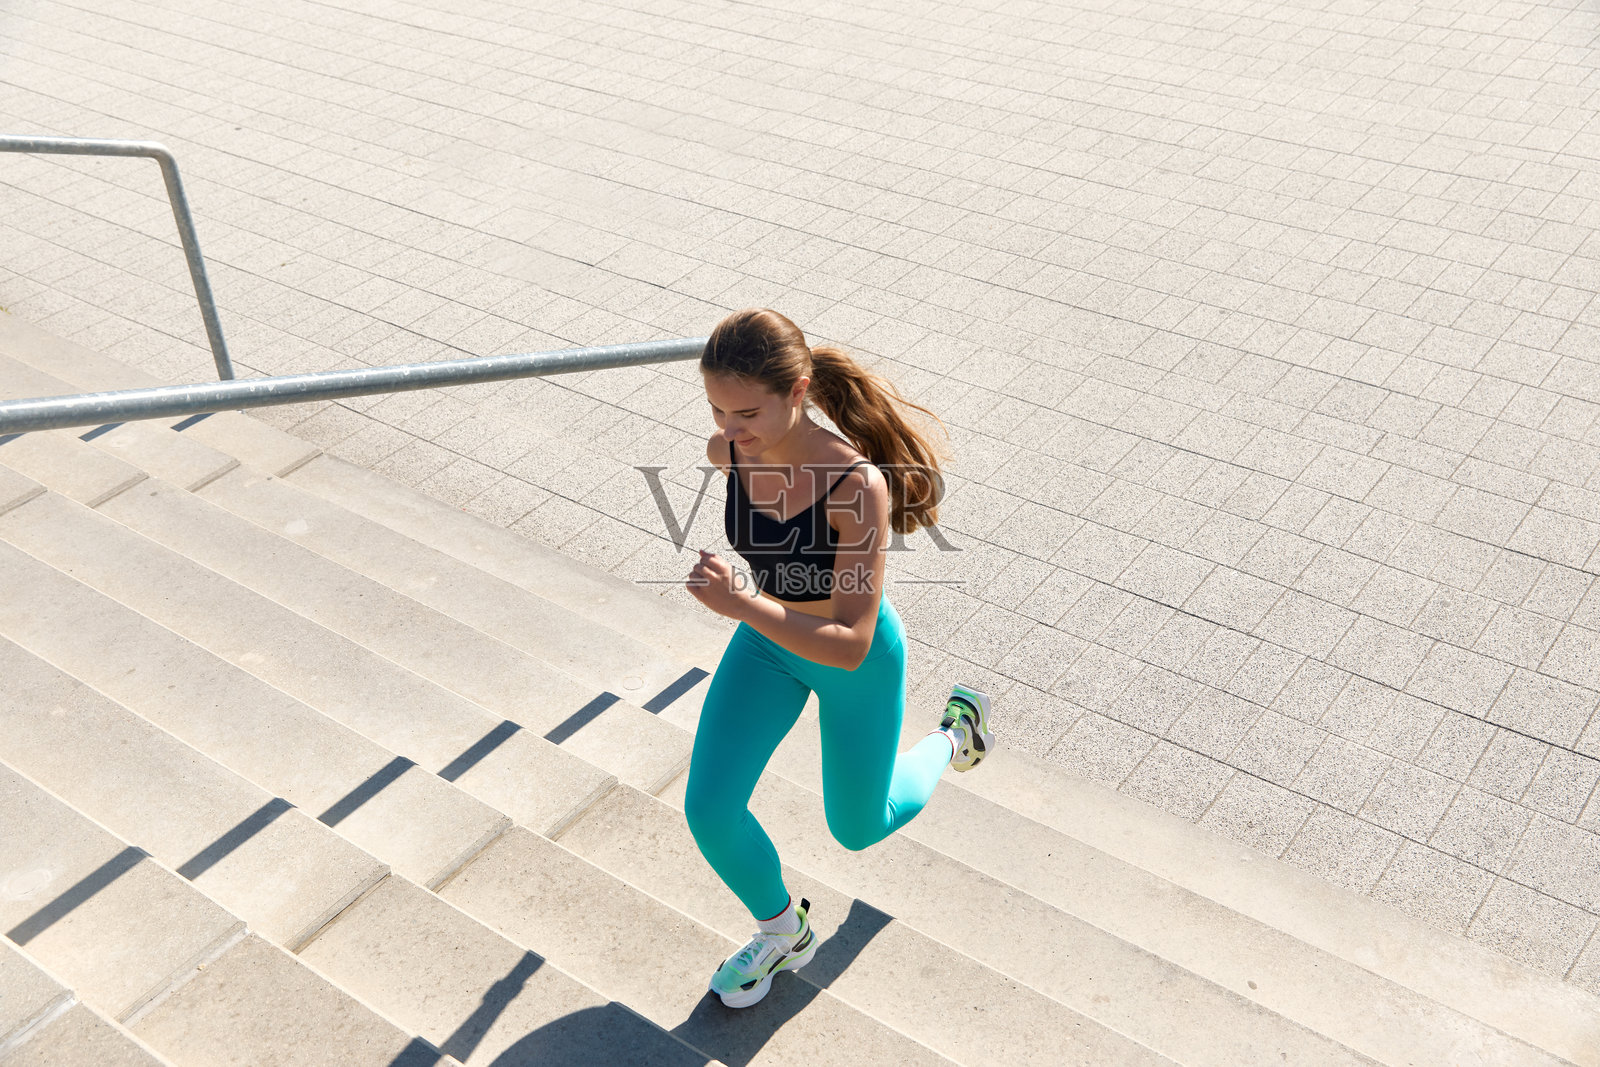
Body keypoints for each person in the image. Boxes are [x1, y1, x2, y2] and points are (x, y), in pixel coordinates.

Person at [683, 308, 996, 1009]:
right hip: (767, 647)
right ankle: (782, 931)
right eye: (717, 409)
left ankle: (954, 735)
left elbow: (851, 641)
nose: (729, 428)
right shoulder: (730, 450)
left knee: (858, 828)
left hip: (854, 665)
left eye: (746, 412)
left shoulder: (855, 486)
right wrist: (750, 610)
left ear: (797, 392)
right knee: (709, 808)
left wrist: (741, 604)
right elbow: (730, 453)